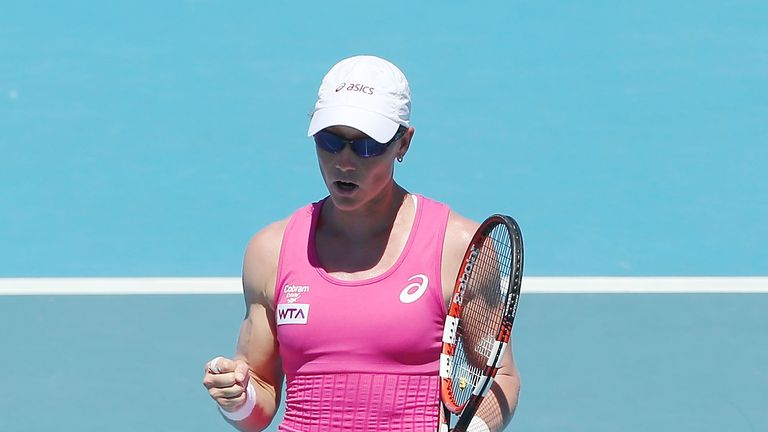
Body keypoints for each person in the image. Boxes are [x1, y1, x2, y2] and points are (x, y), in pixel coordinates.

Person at [202, 55, 520, 432]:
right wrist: (238, 398)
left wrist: (473, 430)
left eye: (366, 146)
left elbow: (500, 378)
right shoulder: (270, 251)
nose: (345, 162)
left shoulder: (459, 246)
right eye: (330, 141)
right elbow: (261, 398)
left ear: (403, 143)